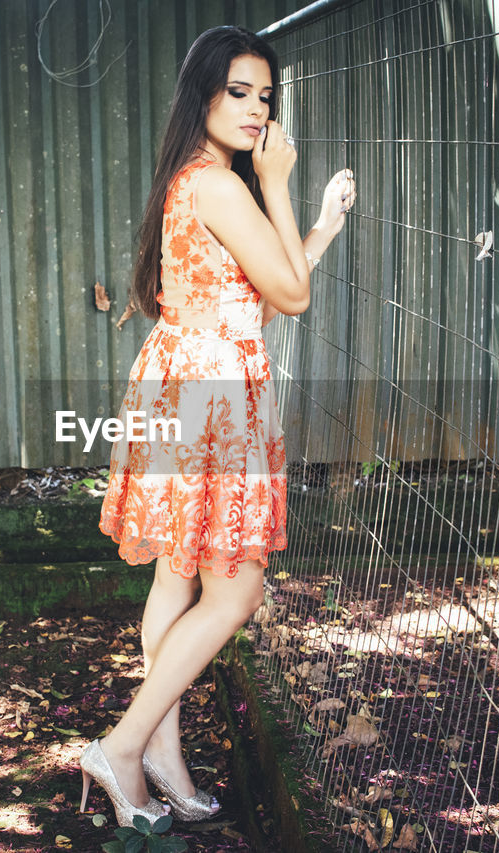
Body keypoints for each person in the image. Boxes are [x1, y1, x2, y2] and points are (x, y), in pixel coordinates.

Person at [81, 24, 355, 828]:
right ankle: (123, 745)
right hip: (210, 403)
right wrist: (280, 181)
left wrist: (324, 227)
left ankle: (157, 750)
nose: (256, 109)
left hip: (187, 387)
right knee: (237, 589)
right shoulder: (227, 186)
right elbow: (296, 299)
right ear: (202, 93)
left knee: (180, 574)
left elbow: (263, 293)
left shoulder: (193, 180)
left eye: (266, 95)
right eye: (238, 91)